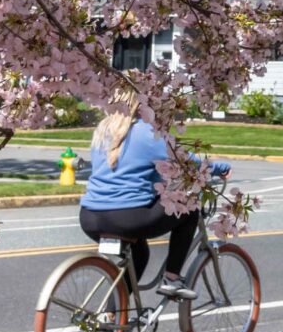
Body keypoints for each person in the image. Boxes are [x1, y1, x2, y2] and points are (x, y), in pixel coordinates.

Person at [78, 88, 202, 299]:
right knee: (189, 206)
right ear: (142, 104)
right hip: (127, 218)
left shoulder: (102, 130)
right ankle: (172, 278)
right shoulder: (148, 132)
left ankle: (111, 320)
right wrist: (218, 167)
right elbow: (184, 160)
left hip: (90, 217)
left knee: (139, 254)